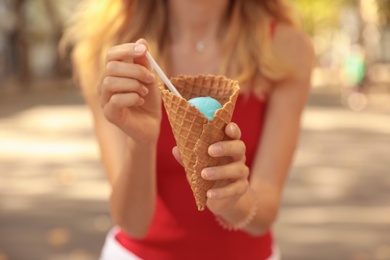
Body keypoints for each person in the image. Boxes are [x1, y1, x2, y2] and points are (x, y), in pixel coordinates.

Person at [61, 0, 314, 259]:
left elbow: (264, 215)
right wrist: (141, 142)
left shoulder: (287, 50)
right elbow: (133, 224)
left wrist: (233, 198)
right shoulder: (110, 55)